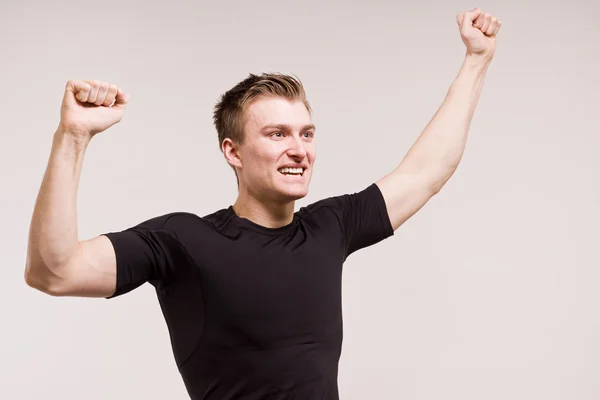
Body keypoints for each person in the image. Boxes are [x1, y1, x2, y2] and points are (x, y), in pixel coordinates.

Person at [24, 8, 501, 400]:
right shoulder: (183, 240)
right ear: (233, 151)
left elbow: (427, 171)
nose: (299, 149)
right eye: (277, 134)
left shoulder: (330, 226)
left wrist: (477, 60)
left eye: (306, 134)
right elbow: (54, 271)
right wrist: (74, 136)